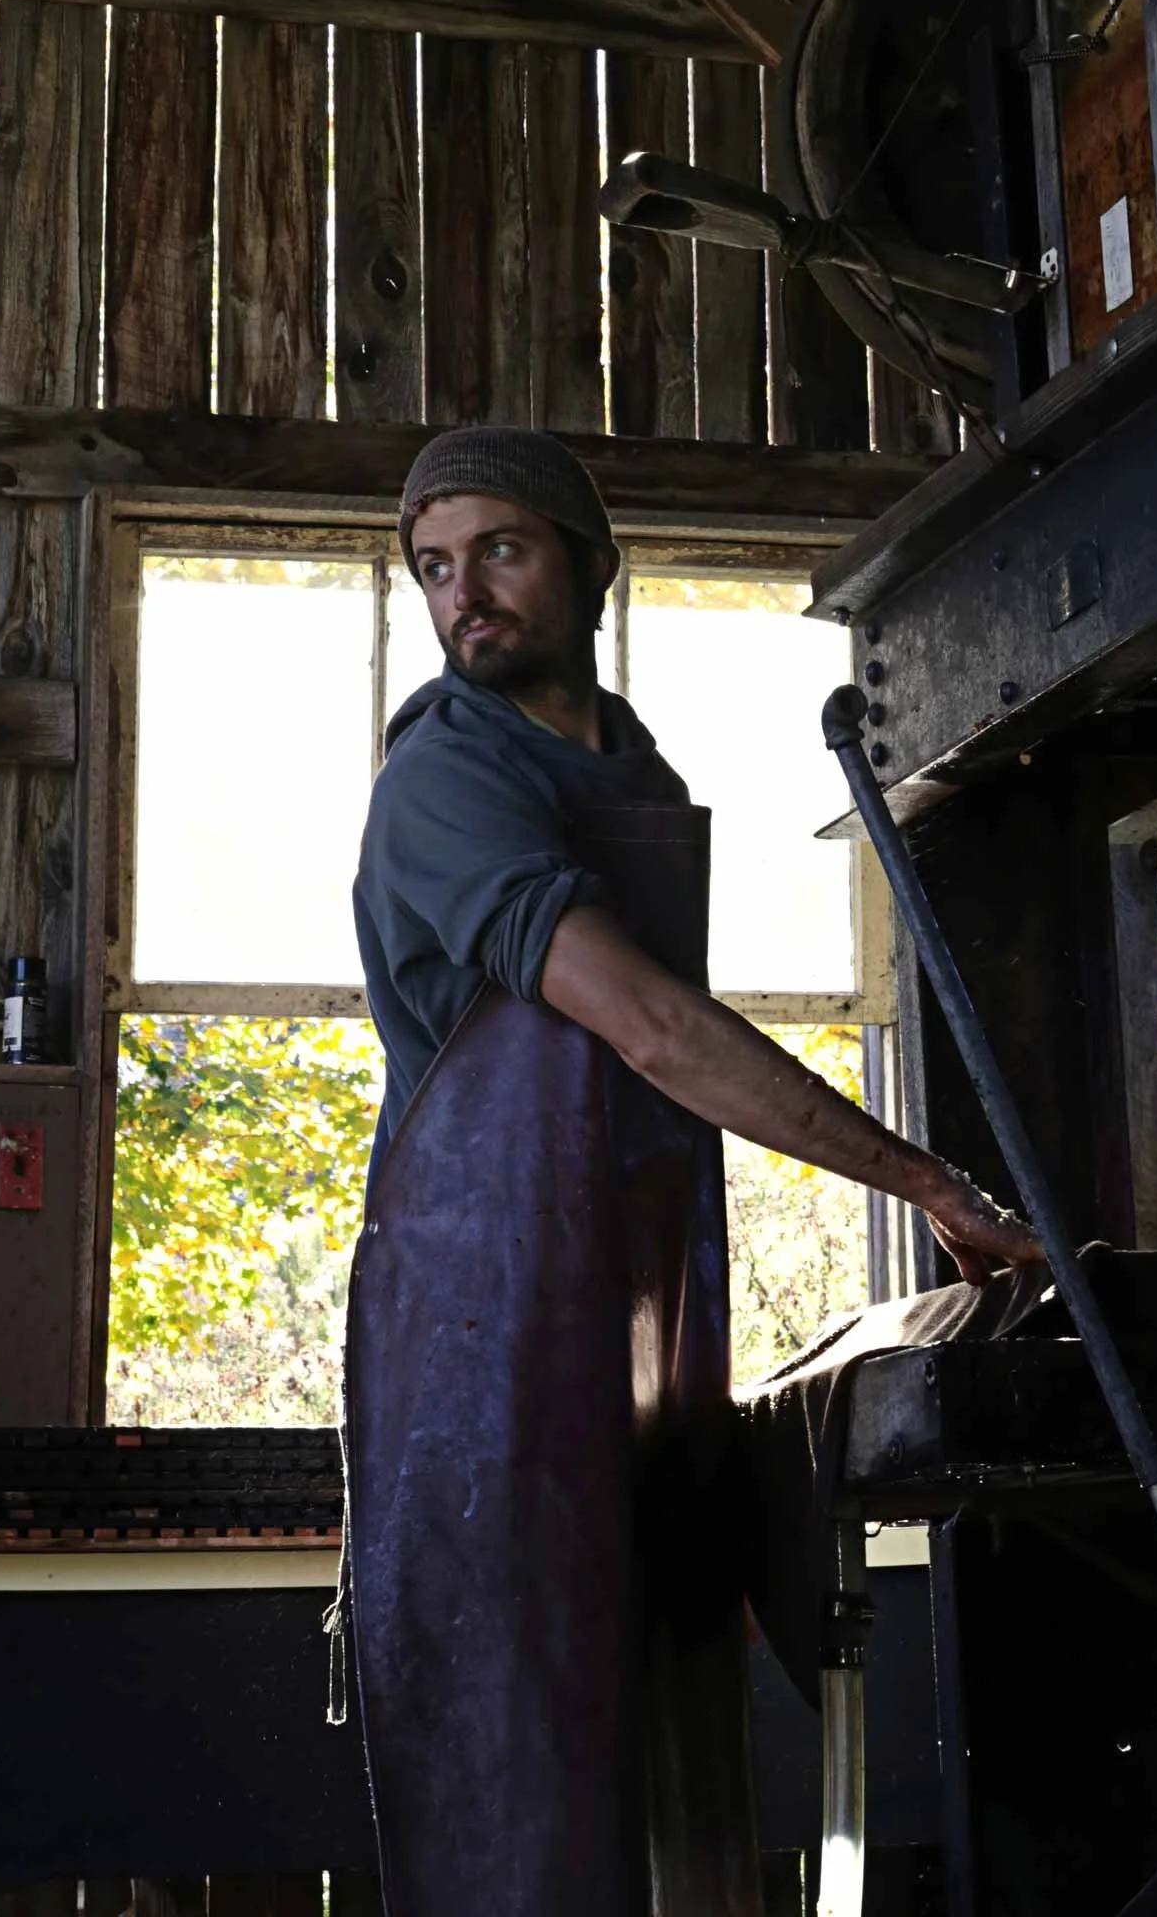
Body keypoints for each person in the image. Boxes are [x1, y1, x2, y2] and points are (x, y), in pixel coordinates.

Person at [342, 425, 1038, 1917]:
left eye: (500, 552)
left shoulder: (633, 764)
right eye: (434, 569)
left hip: (644, 1315)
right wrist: (921, 1182)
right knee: (524, 1782)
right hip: (486, 1342)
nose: (464, 595)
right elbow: (654, 1028)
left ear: (592, 564)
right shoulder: (442, 784)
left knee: (671, 1762)